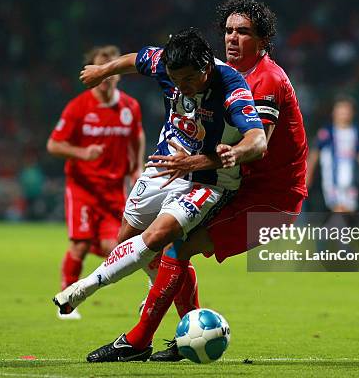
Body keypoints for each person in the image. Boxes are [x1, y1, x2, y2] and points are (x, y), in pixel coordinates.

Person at [85, 0, 309, 363]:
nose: (233, 38)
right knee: (141, 238)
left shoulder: (266, 80)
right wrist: (104, 70)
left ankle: (139, 339)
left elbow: (259, 145)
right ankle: (184, 326)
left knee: (175, 244)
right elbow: (147, 58)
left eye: (244, 32)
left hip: (272, 200)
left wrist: (224, 155)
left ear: (264, 40)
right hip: (230, 180)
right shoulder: (217, 71)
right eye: (229, 31)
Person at [53, 27, 267, 360]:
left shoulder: (231, 86)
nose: (181, 88)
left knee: (159, 238)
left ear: (205, 69)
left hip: (208, 180)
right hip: (165, 166)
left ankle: (84, 288)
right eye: (175, 80)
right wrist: (102, 71)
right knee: (125, 244)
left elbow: (258, 140)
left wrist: (234, 153)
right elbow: (136, 59)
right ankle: (183, 317)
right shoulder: (166, 63)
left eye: (187, 81)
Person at [47, 45, 145, 319]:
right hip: (83, 188)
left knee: (119, 247)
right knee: (79, 243)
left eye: (111, 70)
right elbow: (54, 144)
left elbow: (137, 137)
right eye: (100, 69)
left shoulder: (130, 107)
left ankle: (90, 244)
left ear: (117, 74)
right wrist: (82, 153)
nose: (107, 76)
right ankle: (66, 303)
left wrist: (136, 167)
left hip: (114, 190)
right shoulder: (79, 107)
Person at [306, 95, 359, 213]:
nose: (344, 114)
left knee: (349, 211)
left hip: (351, 180)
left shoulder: (356, 132)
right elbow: (315, 153)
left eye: (347, 111)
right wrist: (308, 174)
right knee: (339, 209)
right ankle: (332, 230)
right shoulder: (327, 132)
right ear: (334, 113)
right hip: (332, 180)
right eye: (341, 110)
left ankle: (332, 230)